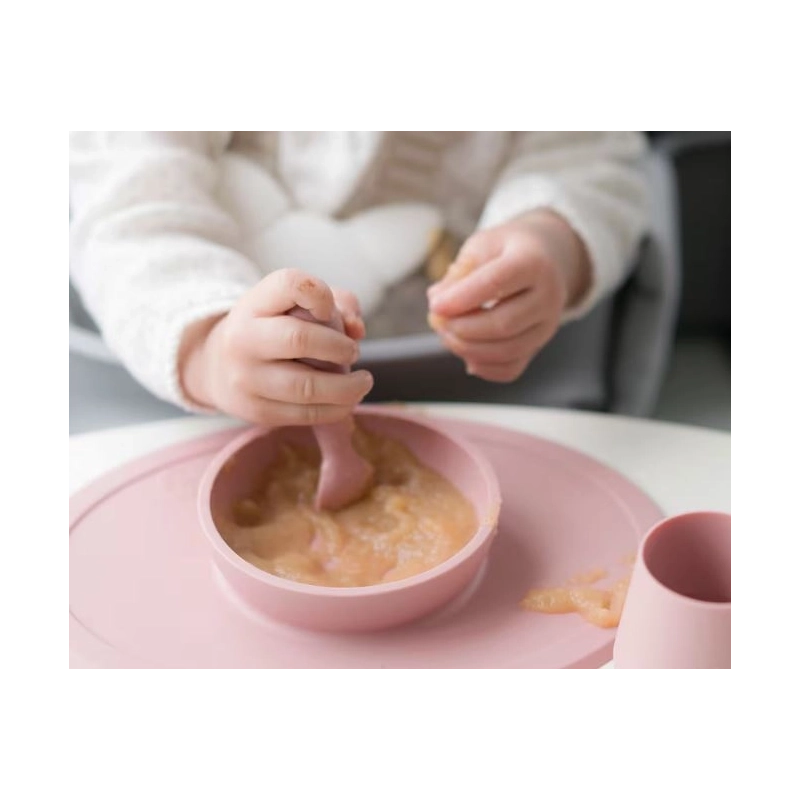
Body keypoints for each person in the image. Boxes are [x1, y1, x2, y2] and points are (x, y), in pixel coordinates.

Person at [65, 129, 649, 425]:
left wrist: (550, 241)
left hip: (484, 383)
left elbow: (589, 160)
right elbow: (130, 210)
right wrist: (207, 349)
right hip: (212, 402)